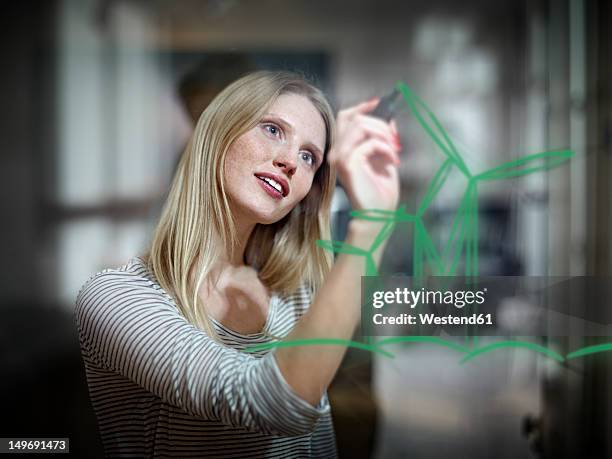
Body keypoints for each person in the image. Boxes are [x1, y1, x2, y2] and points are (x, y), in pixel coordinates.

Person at [75, 70, 401, 458]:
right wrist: (371, 225)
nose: (289, 162)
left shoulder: (296, 292)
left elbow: (316, 446)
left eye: (308, 156)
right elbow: (273, 403)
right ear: (217, 133)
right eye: (272, 129)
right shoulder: (116, 297)